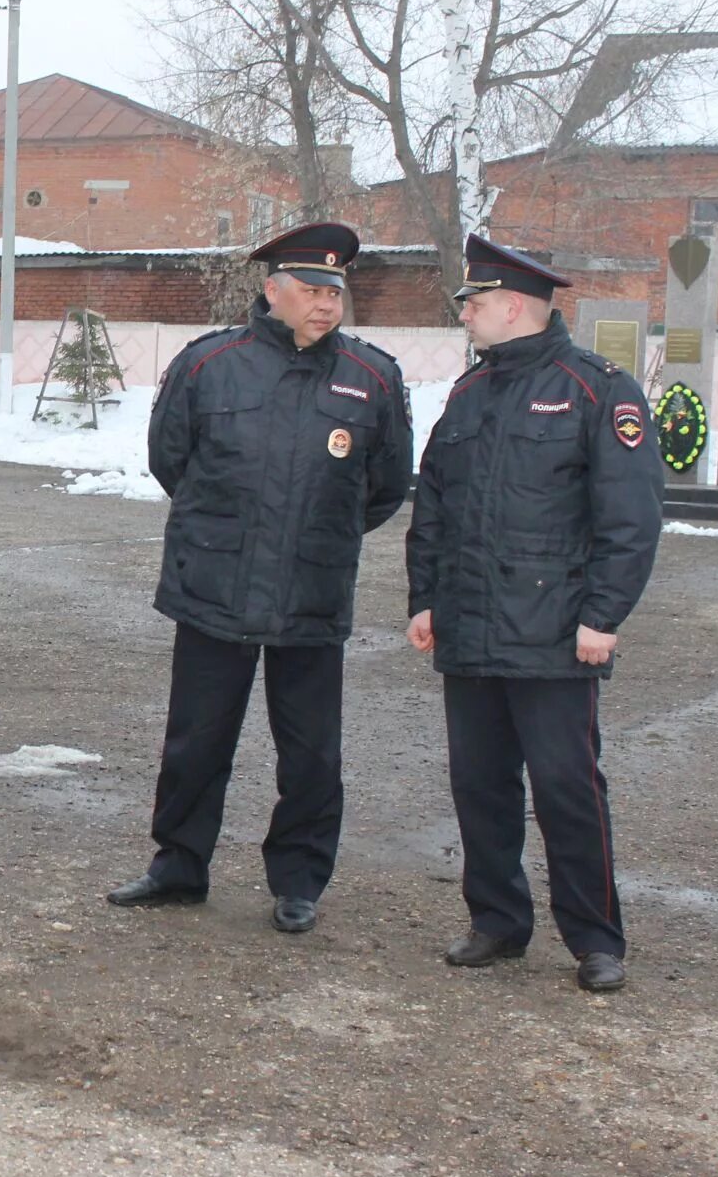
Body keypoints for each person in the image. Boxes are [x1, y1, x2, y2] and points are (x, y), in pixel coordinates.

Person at [106, 223, 411, 934]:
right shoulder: (211, 364)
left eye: (336, 292)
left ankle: (299, 879)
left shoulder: (371, 378)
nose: (326, 304)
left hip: (313, 591)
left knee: (310, 750)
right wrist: (228, 531)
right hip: (214, 585)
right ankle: (178, 864)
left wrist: (319, 535)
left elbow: (387, 485)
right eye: (311, 290)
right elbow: (170, 460)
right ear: (272, 291)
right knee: (196, 739)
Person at [405, 234, 662, 994]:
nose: (467, 315)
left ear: (512, 305)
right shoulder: (468, 394)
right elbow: (435, 509)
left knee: (567, 788)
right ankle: (497, 922)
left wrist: (603, 615)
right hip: (472, 627)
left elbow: (631, 517)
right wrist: (425, 598)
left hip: (555, 636)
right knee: (480, 786)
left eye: (474, 303)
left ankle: (594, 938)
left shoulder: (598, 390)